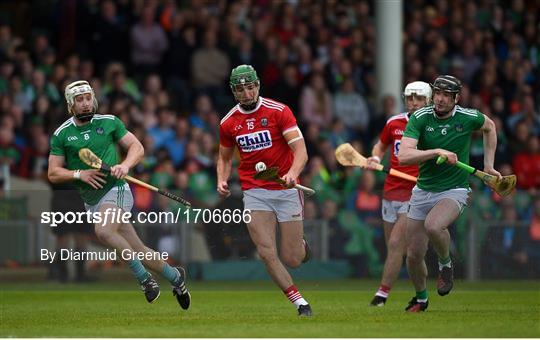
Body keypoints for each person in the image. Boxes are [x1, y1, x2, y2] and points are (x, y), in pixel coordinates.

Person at [47, 80, 191, 308]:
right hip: (91, 201)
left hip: (117, 190)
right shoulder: (62, 134)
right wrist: (79, 175)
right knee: (139, 250)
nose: (85, 104)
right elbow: (53, 173)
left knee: (103, 232)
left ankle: (145, 280)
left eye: (87, 98)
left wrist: (125, 165)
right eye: (79, 100)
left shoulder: (109, 122)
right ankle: (176, 277)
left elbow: (137, 148)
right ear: (70, 105)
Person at [398, 75, 501, 312]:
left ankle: (445, 263)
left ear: (456, 98)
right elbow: (404, 156)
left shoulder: (468, 117)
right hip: (423, 190)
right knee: (413, 255)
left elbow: (490, 127)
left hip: (454, 190)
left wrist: (488, 165)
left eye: (447, 95)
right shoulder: (420, 118)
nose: (441, 99)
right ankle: (421, 298)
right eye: (438, 94)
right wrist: (435, 151)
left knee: (434, 225)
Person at [217, 65, 312, 316]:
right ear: (234, 92)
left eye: (251, 87)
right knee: (265, 251)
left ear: (258, 85)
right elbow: (224, 158)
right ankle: (299, 302)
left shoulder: (278, 111)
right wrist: (222, 179)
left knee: (292, 258)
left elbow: (300, 150)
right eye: (240, 89)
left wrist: (292, 173)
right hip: (254, 190)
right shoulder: (228, 123)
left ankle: (300, 245)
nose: (247, 94)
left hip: (286, 189)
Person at [366, 81, 431, 306]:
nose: (413, 103)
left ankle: (381, 296)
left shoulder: (431, 127)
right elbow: (380, 146)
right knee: (407, 253)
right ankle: (422, 296)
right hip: (390, 193)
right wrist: (375, 158)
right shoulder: (394, 122)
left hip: (416, 194)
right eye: (410, 98)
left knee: (396, 245)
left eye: (419, 99)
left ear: (428, 101)